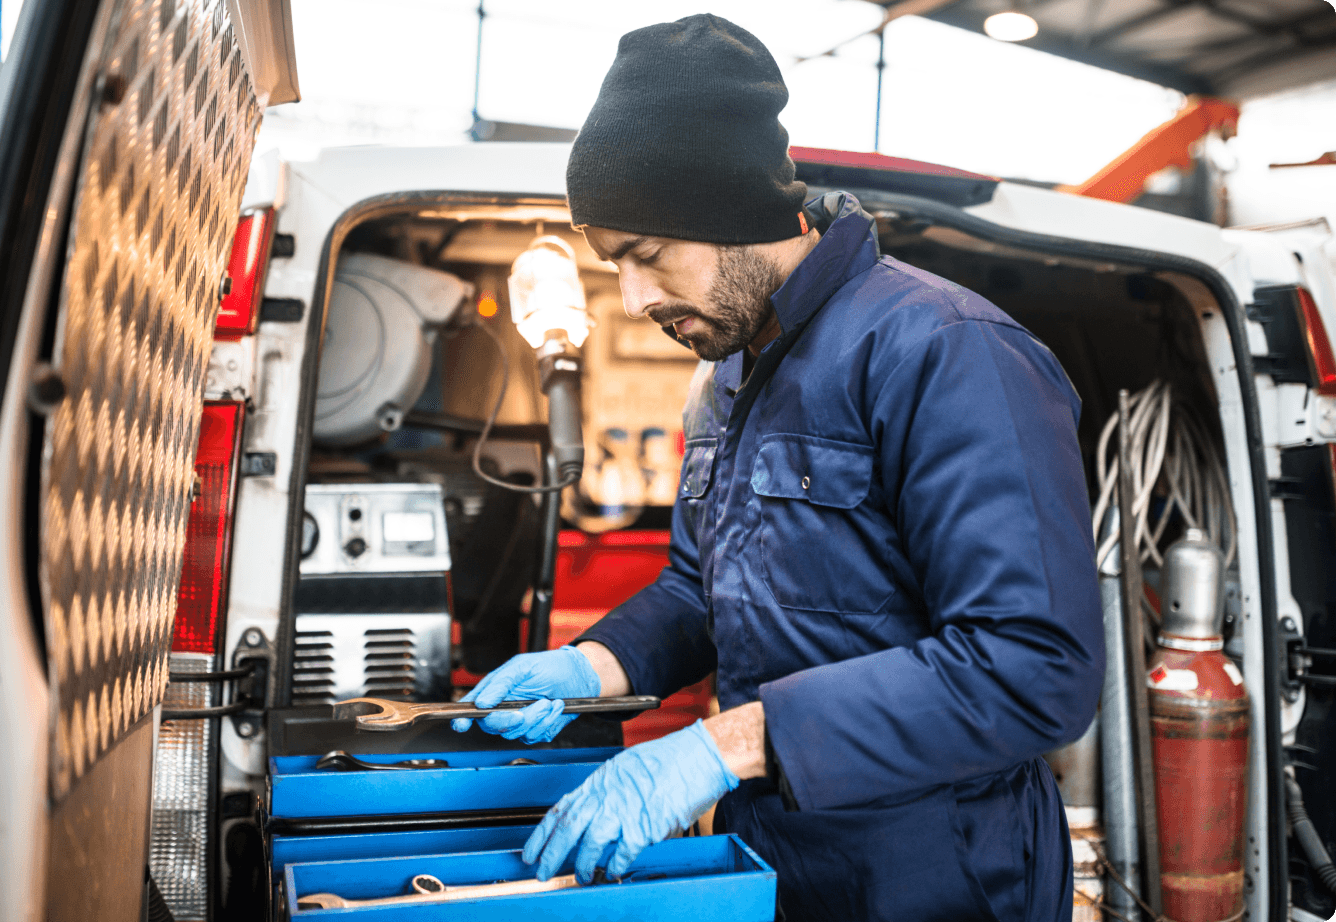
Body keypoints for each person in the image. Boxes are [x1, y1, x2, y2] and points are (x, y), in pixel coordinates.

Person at [452, 14, 1104, 921]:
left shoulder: (947, 353)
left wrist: (720, 748)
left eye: (647, 256)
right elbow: (699, 589)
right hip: (773, 860)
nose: (634, 299)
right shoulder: (723, 378)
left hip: (943, 872)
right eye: (614, 266)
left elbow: (1033, 666)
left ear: (731, 212)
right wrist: (594, 663)